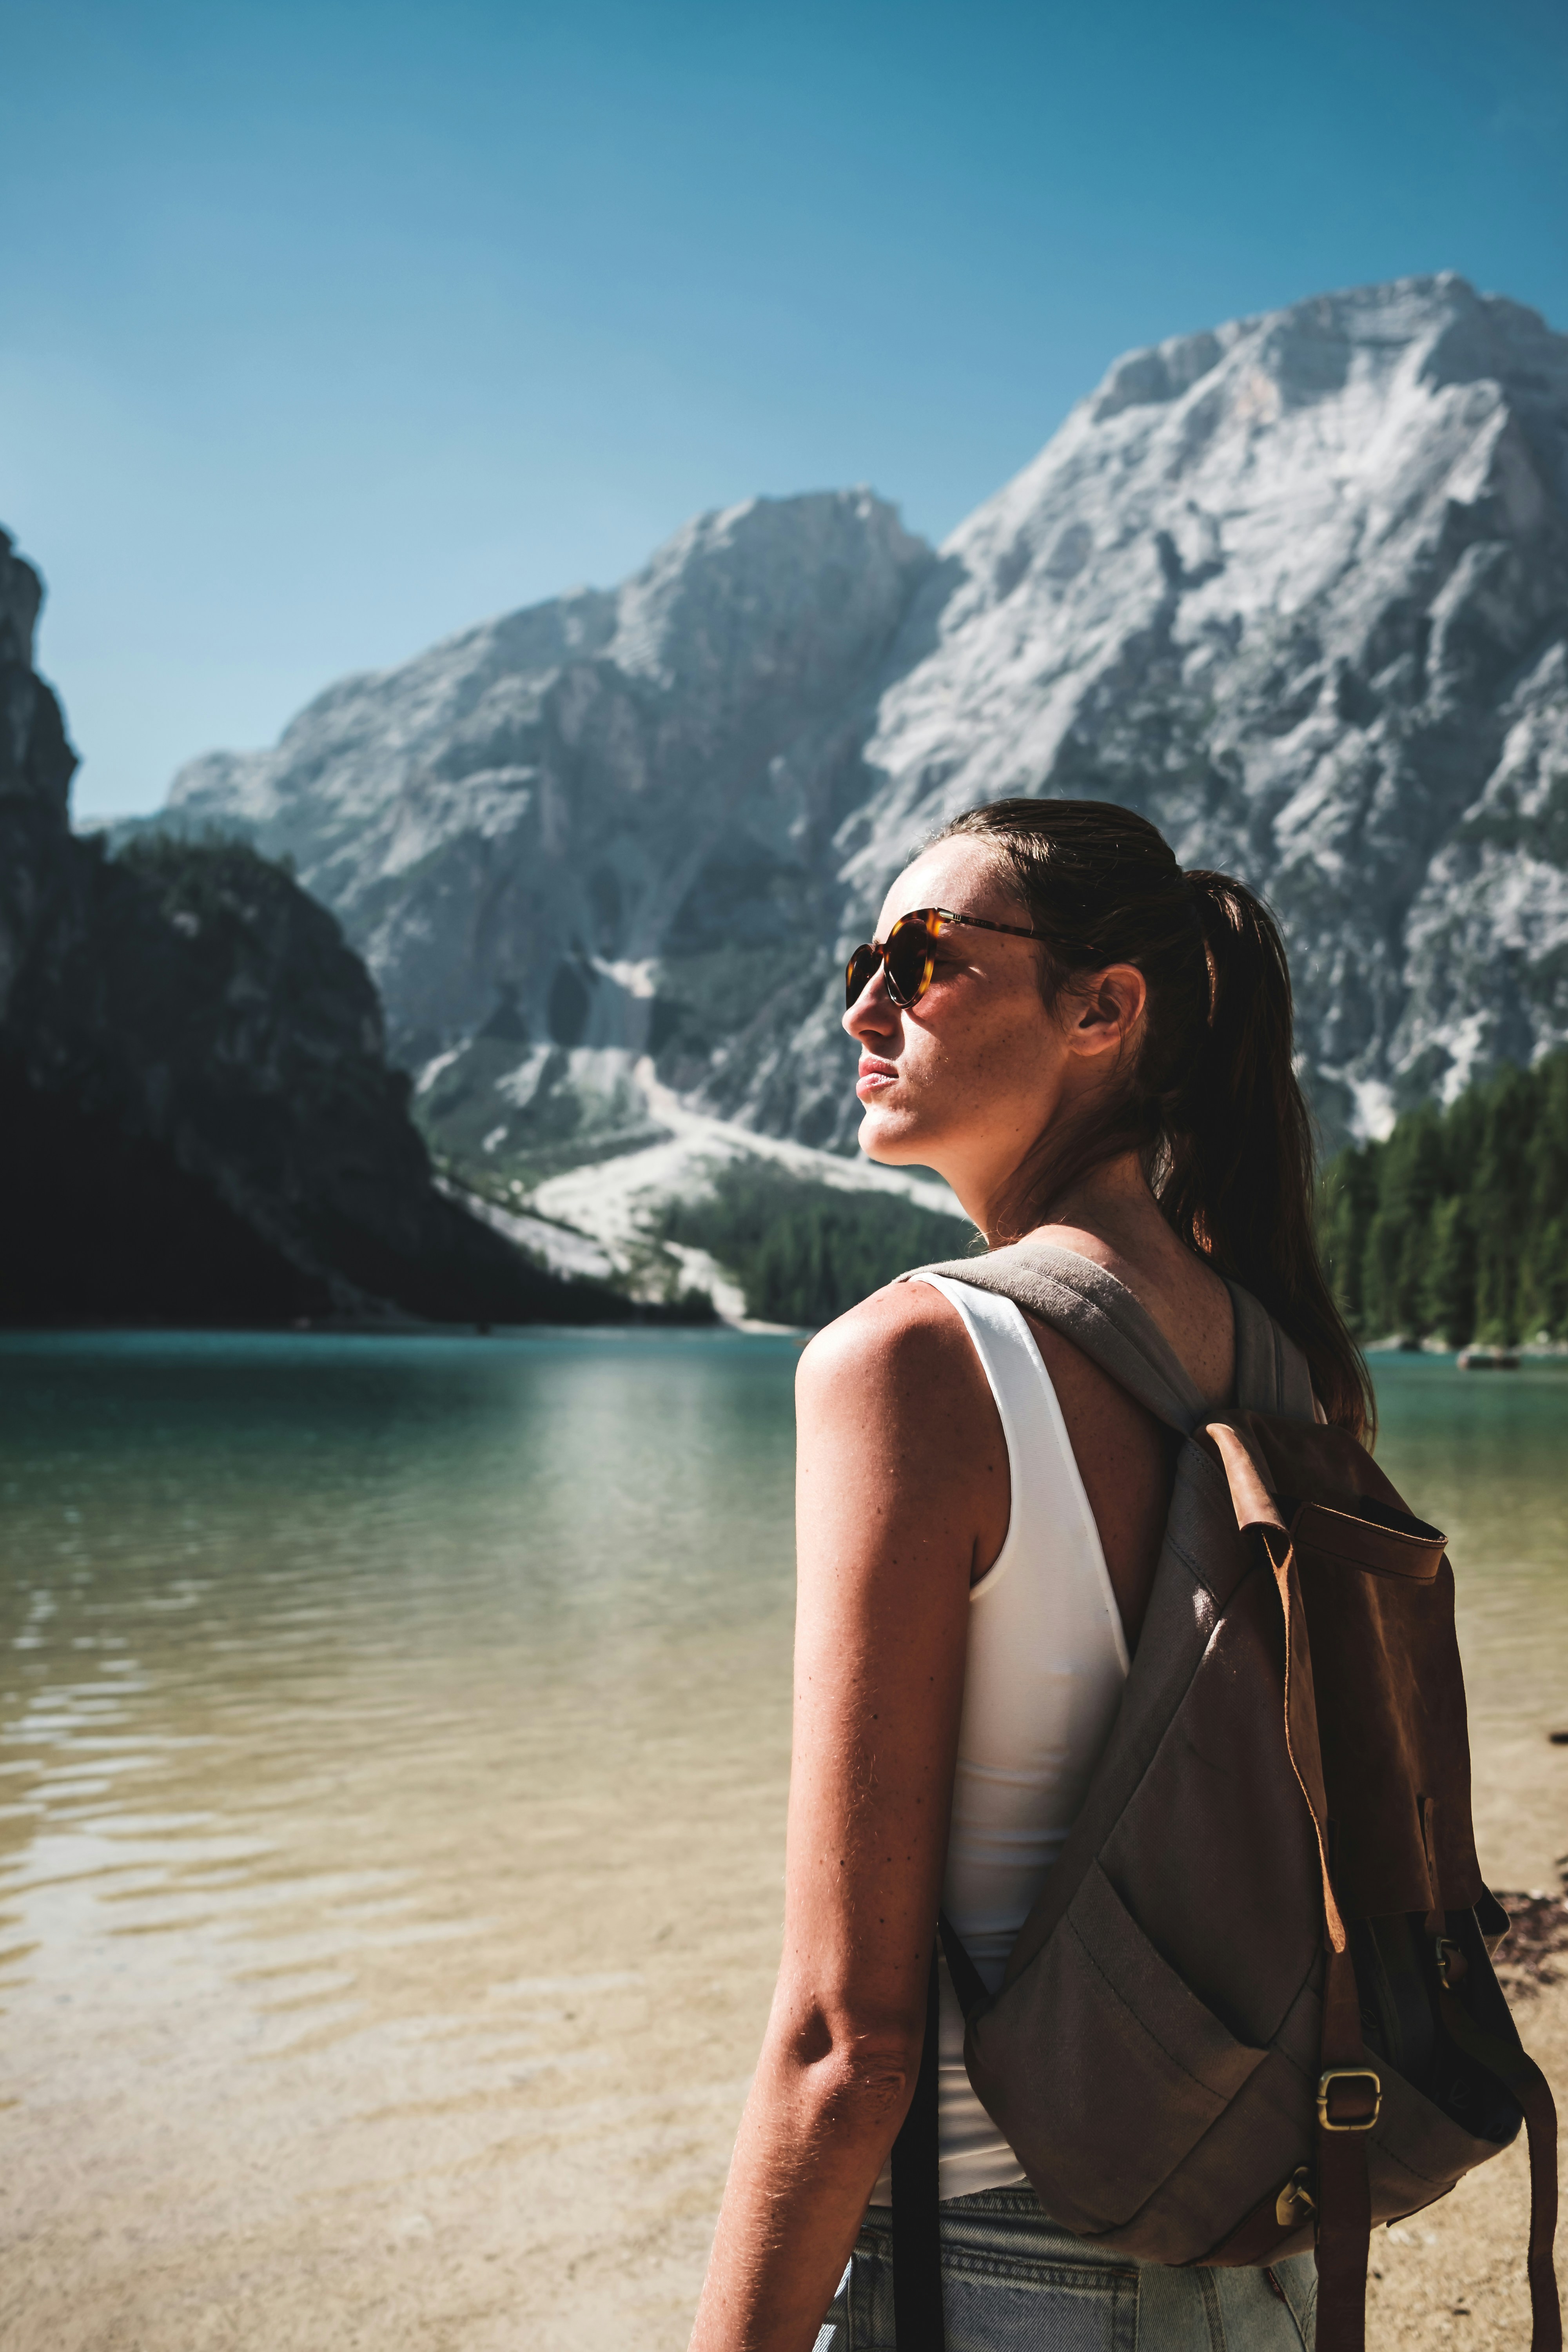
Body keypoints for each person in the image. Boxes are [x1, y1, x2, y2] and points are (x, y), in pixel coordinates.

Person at [688, 798, 1369, 2352]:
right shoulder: (1290, 1372)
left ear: (1101, 1010)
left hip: (995, 2276)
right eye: (859, 960)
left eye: (921, 958)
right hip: (1257, 2263)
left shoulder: (915, 1362)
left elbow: (841, 2044)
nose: (863, 1004)